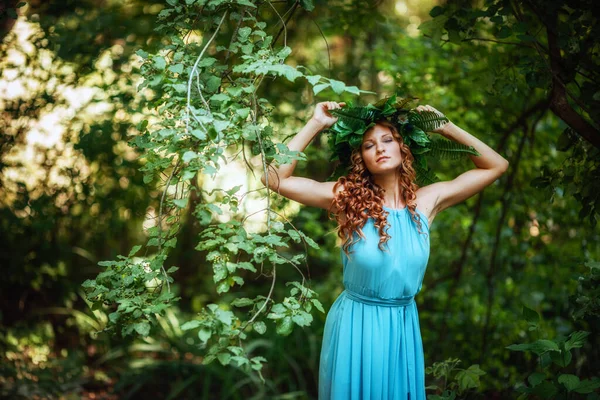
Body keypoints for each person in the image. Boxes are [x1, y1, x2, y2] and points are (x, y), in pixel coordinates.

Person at [260, 101, 509, 399]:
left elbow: (497, 165)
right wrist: (315, 123)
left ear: (403, 147)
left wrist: (446, 127)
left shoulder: (426, 202)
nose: (379, 148)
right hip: (356, 325)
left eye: (388, 140)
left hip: (402, 325)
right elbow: (273, 178)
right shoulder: (347, 198)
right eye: (369, 145)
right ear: (360, 157)